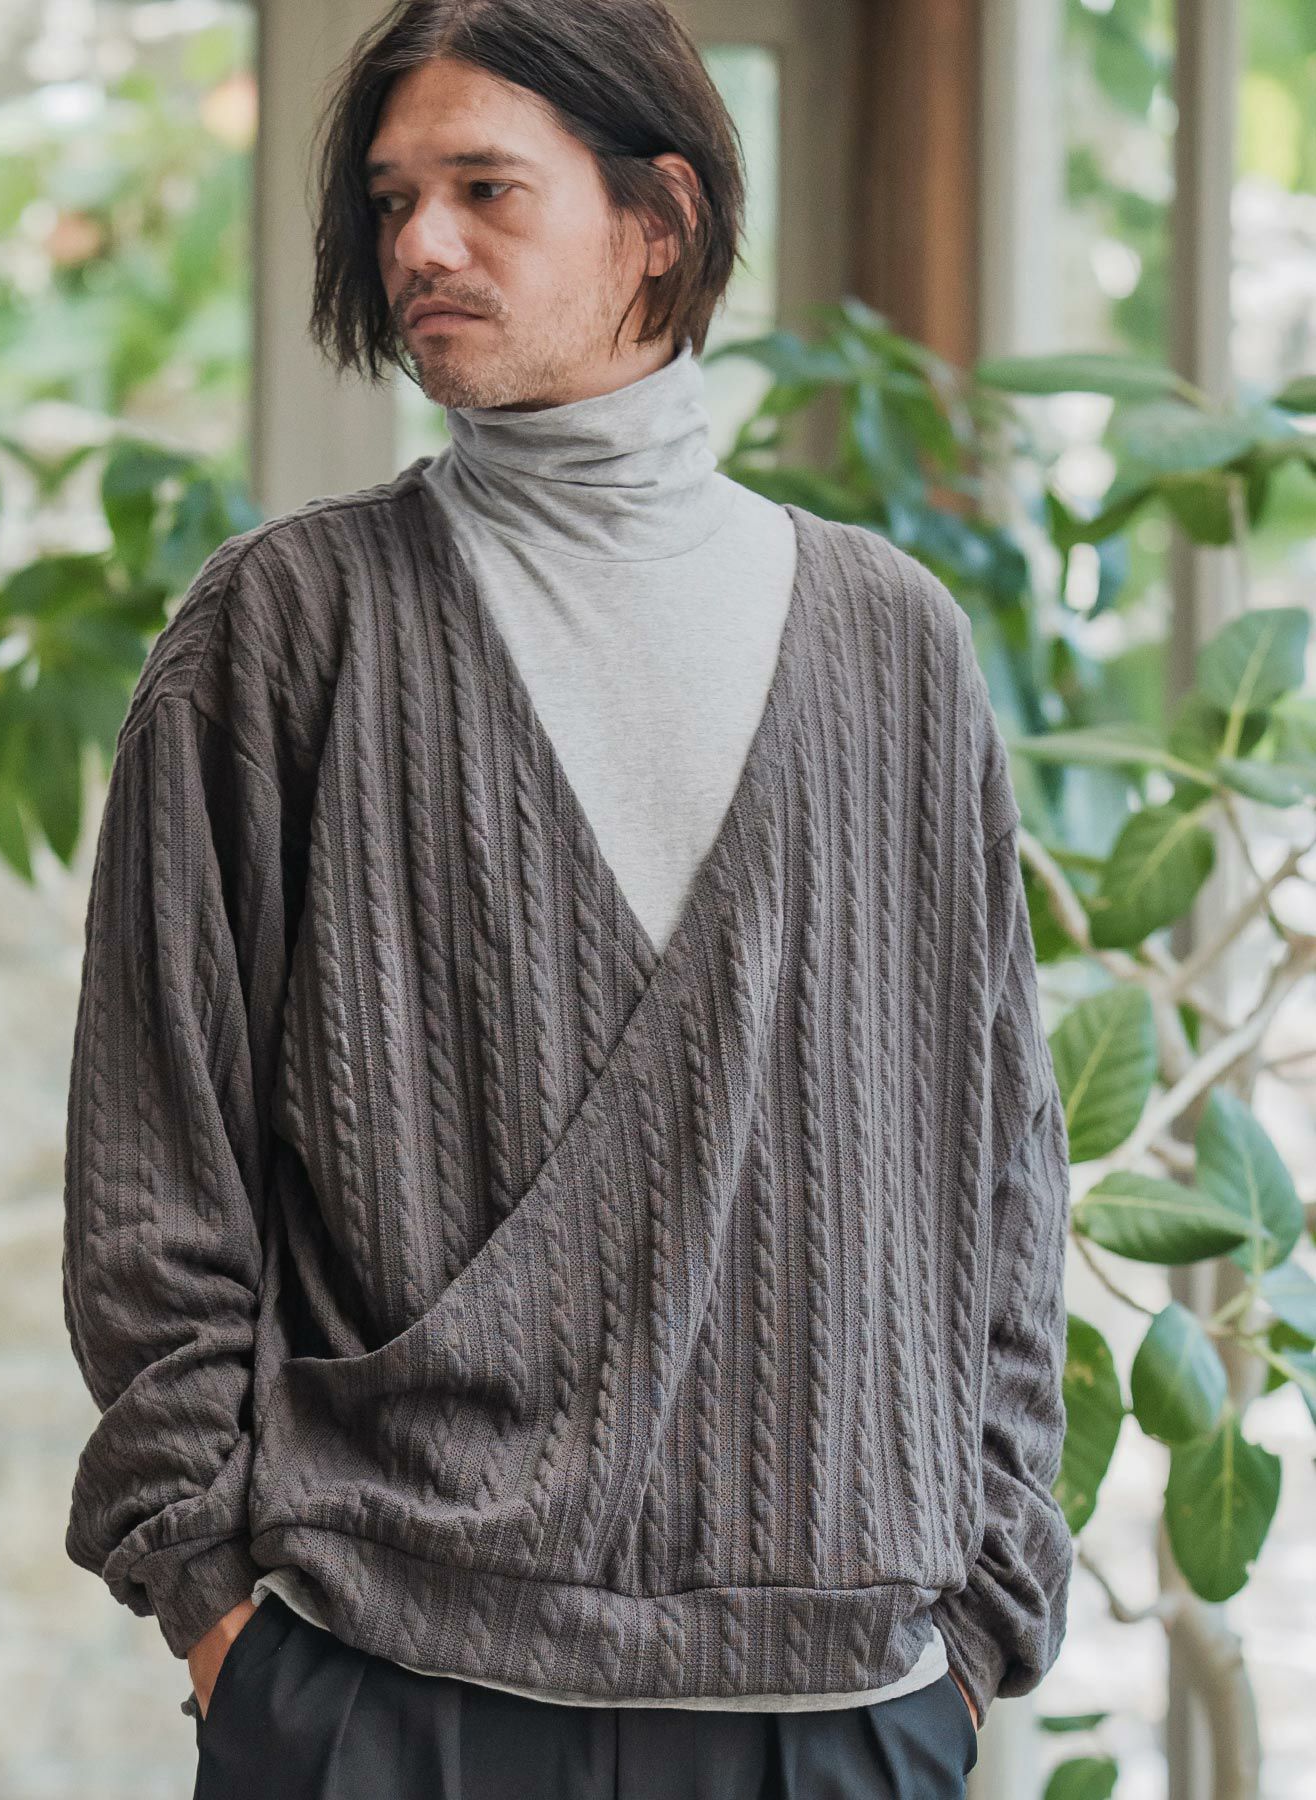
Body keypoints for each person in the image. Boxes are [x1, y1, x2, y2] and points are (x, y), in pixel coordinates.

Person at [61, 2, 1073, 1794]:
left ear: (658, 219)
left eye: (485, 190)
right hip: (382, 1680)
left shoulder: (894, 645)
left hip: (838, 1702)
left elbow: (996, 1164)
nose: (420, 247)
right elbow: (156, 1163)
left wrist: (980, 1627)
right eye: (394, 201)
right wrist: (222, 1619)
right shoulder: (287, 630)